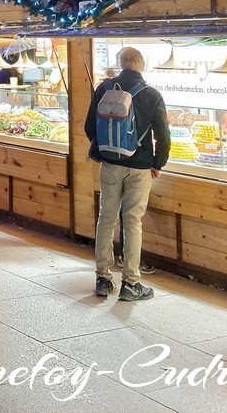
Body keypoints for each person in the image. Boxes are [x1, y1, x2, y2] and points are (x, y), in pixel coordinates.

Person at [84, 46, 170, 302]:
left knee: (106, 217)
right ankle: (131, 283)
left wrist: (107, 151)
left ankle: (102, 277)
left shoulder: (105, 88)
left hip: (110, 164)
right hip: (141, 166)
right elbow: (163, 136)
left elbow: (90, 126)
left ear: (120, 63)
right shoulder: (152, 94)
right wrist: (158, 163)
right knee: (132, 221)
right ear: (141, 65)